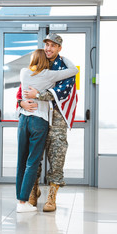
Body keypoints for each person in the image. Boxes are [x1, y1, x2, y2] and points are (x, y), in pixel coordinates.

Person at [16, 33, 78, 212]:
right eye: (47, 45)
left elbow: (63, 90)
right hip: (37, 117)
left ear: (59, 48)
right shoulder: (36, 66)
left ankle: (52, 195)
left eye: (53, 45)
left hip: (57, 119)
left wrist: (39, 95)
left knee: (57, 156)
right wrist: (20, 102)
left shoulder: (63, 67)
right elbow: (22, 92)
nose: (49, 48)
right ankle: (32, 191)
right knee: (33, 158)